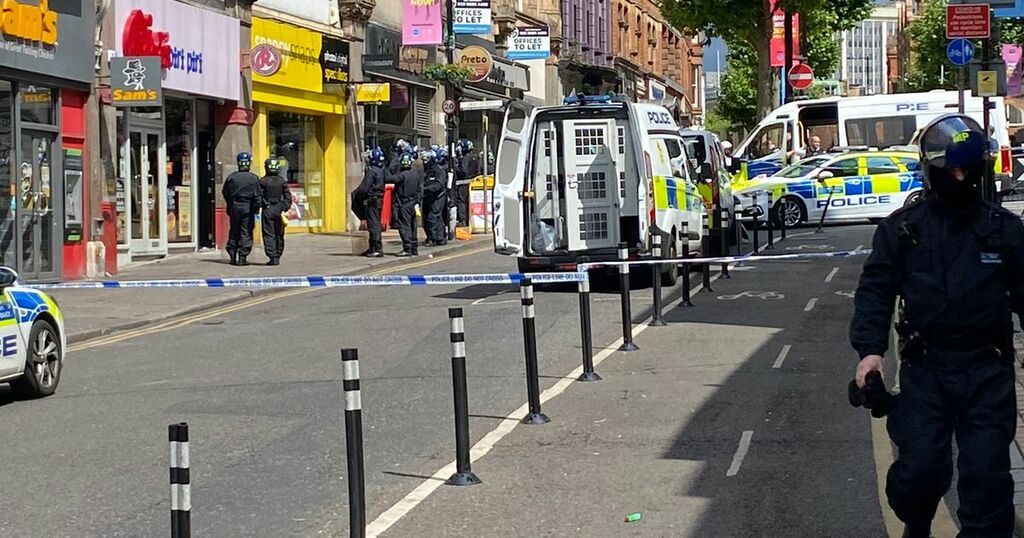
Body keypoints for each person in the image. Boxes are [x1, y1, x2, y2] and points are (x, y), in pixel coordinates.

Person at [850, 114, 1024, 538]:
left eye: (969, 169)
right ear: (931, 170)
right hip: (926, 371)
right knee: (918, 477)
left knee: (987, 488)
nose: (960, 177)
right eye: (952, 170)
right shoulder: (904, 230)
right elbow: (876, 290)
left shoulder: (1005, 231)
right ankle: (917, 518)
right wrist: (870, 353)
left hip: (988, 370)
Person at [222, 152, 263, 266]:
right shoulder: (254, 179)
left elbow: (225, 193)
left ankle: (232, 255)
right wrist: (255, 209)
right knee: (246, 232)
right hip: (248, 208)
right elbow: (258, 196)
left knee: (234, 231)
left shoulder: (231, 177)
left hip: (235, 207)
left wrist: (230, 205)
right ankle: (242, 257)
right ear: (249, 163)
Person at [259, 155, 292, 266]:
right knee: (279, 234)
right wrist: (283, 207)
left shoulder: (263, 181)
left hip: (267, 209)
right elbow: (288, 197)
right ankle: (277, 254)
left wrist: (263, 205)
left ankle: (272, 256)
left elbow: (259, 197)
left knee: (269, 234)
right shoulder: (282, 181)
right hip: (279, 209)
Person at [354, 148, 386, 257]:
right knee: (374, 224)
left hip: (372, 201)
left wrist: (357, 195)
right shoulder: (381, 170)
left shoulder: (372, 171)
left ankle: (376, 249)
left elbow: (364, 188)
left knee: (373, 225)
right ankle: (372, 247)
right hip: (378, 200)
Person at [393, 153, 422, 257]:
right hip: (414, 203)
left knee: (404, 226)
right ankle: (414, 248)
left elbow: (390, 178)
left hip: (404, 203)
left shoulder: (401, 176)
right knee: (413, 225)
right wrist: (417, 202)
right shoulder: (415, 175)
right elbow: (420, 190)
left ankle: (407, 248)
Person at [420, 148, 447, 247]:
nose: (424, 162)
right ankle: (439, 238)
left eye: (426, 159)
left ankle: (433, 238)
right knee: (429, 217)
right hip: (428, 197)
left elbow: (438, 185)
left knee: (433, 217)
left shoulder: (439, 170)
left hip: (438, 197)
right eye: (423, 160)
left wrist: (425, 189)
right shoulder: (426, 170)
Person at [454, 139, 480, 226]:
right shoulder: (475, 157)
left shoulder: (466, 158)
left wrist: (455, 168)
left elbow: (463, 170)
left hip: (463, 182)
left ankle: (462, 220)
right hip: (473, 181)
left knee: (461, 201)